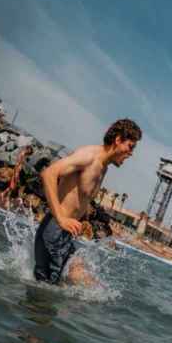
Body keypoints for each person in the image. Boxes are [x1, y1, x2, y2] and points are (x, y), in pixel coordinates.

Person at [34, 119, 140, 285]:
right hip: (55, 230)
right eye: (130, 146)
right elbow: (49, 174)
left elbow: (79, 199)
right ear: (118, 140)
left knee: (84, 282)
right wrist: (61, 218)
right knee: (44, 295)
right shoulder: (89, 157)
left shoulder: (103, 166)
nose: (131, 153)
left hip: (66, 234)